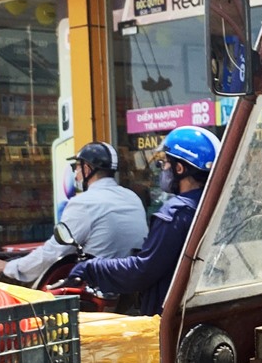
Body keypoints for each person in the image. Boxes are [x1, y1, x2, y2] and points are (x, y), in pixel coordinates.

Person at [70, 126, 220, 315]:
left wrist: (90, 268)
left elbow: (142, 271)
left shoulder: (176, 213)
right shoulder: (214, 205)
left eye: (165, 163)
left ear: (179, 168)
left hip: (170, 320)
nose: (162, 169)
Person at [0, 142, 148, 284]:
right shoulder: (132, 197)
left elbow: (54, 252)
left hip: (99, 290)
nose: (75, 174)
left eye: (76, 167)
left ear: (87, 169)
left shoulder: (84, 203)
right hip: (131, 289)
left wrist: (9, 267)